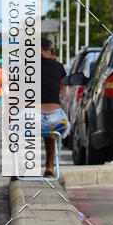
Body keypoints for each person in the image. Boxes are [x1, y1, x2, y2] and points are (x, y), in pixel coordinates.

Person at [40, 38, 68, 177]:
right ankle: (50, 166)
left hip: (32, 119)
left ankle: (18, 167)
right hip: (56, 120)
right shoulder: (59, 67)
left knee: (16, 128)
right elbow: (60, 91)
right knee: (49, 131)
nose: (53, 53)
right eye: (52, 50)